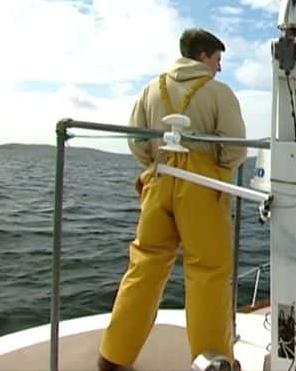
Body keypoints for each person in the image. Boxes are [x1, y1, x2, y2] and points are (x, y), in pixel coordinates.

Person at [98, 28, 247, 371]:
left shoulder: (150, 90)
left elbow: (136, 142)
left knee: (145, 266)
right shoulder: (218, 93)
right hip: (201, 184)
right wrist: (215, 169)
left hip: (158, 178)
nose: (220, 67)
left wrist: (157, 164)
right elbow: (235, 148)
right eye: (218, 59)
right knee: (208, 273)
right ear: (205, 56)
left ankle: (113, 356)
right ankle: (213, 361)